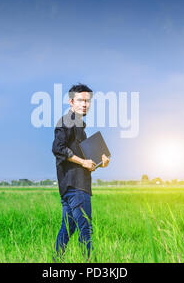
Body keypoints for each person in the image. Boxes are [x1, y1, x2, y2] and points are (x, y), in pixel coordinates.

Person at [52, 83, 110, 262]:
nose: (85, 104)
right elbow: (58, 148)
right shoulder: (67, 121)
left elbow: (84, 162)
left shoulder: (80, 127)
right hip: (75, 186)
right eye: (80, 100)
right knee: (85, 229)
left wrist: (100, 163)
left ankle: (55, 261)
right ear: (71, 101)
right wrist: (83, 161)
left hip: (73, 185)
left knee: (67, 230)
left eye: (88, 101)